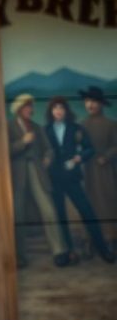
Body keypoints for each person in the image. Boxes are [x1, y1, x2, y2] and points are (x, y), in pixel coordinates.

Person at [43, 96, 115, 264]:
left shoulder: (76, 128)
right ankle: (68, 253)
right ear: (51, 111)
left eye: (61, 108)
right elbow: (42, 152)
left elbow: (89, 149)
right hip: (54, 179)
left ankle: (103, 250)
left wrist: (78, 158)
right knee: (60, 217)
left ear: (66, 111)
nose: (58, 111)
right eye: (55, 108)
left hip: (72, 177)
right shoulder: (45, 130)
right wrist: (45, 161)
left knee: (87, 212)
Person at [7, 94, 68, 267]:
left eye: (31, 106)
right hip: (17, 175)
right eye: (27, 106)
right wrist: (22, 142)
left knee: (49, 209)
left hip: (37, 172)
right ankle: (20, 256)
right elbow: (4, 151)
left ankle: (59, 251)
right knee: (17, 214)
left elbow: (49, 149)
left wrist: (48, 158)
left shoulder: (37, 127)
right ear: (19, 109)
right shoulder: (9, 127)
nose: (31, 109)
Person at [79, 86, 117, 254]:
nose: (90, 105)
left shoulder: (111, 124)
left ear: (101, 104)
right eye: (87, 101)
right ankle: (90, 240)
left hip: (105, 170)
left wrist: (106, 156)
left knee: (107, 202)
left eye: (93, 101)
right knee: (89, 203)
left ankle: (110, 239)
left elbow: (116, 146)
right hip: (87, 170)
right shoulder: (81, 125)